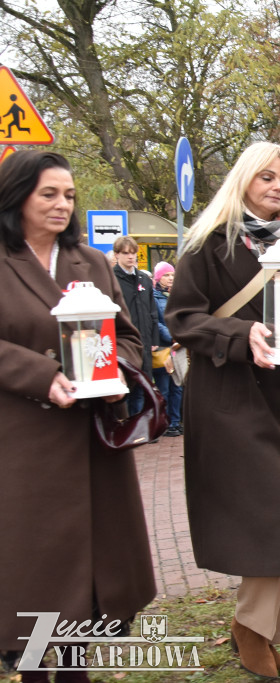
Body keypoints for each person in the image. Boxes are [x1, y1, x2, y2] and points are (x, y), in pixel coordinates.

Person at [165, 142, 280, 679]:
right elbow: (183, 318)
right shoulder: (206, 245)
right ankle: (251, 631)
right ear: (243, 181)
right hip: (229, 401)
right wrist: (242, 334)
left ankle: (259, 633)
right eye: (266, 177)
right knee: (276, 519)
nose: (278, 188)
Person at [0, 151, 155, 681]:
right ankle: (30, 668)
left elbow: (130, 339)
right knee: (30, 568)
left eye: (68, 195)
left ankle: (73, 670)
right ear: (17, 196)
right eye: (49, 194)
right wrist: (39, 374)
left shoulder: (90, 261)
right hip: (21, 443)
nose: (62, 204)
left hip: (92, 443)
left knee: (90, 572)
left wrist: (114, 373)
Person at [110, 235, 161, 414]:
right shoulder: (112, 278)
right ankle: (124, 427)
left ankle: (139, 430)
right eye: (125, 253)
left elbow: (153, 312)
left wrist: (155, 338)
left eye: (133, 253)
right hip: (123, 343)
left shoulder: (144, 279)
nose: (130, 257)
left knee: (142, 386)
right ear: (117, 255)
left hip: (144, 341)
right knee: (124, 388)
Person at [152, 260, 184, 436]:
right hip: (164, 347)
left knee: (177, 387)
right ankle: (162, 423)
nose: (170, 278)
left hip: (178, 347)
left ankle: (175, 421)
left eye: (172, 274)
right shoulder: (153, 297)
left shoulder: (177, 295)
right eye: (166, 275)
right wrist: (171, 335)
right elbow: (155, 321)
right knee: (163, 388)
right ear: (158, 278)